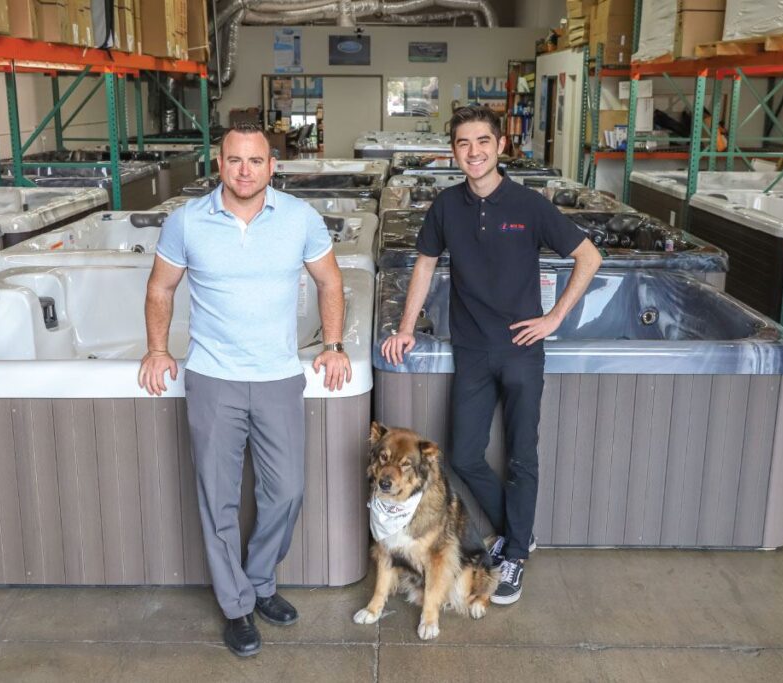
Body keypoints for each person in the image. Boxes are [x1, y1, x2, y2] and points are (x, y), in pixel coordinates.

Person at [138, 121, 351, 657]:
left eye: (256, 160)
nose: (245, 170)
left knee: (287, 491)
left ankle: (258, 581)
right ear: (220, 164)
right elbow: (160, 287)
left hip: (277, 375)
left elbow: (330, 280)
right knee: (219, 499)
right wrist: (158, 350)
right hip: (214, 377)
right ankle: (237, 606)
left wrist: (333, 344)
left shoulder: (299, 218)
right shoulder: (187, 221)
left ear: (272, 166)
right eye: (235, 160)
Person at [381, 106, 602, 605]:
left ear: (501, 146)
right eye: (463, 143)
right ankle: (519, 531)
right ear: (453, 151)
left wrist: (554, 317)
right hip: (474, 349)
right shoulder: (446, 206)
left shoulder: (529, 204)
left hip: (522, 349)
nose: (474, 151)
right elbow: (424, 265)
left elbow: (589, 257)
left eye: (483, 141)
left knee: (522, 455)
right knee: (464, 454)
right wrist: (406, 328)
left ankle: (515, 553)